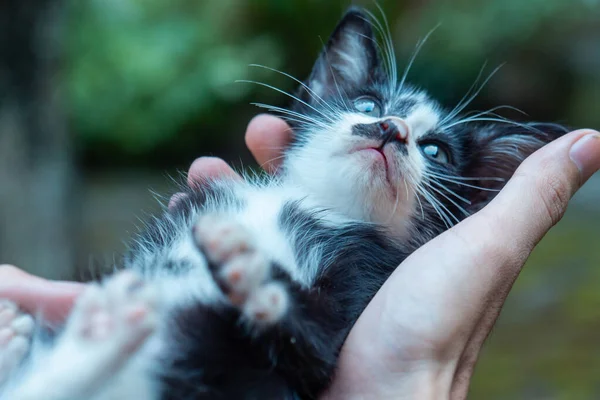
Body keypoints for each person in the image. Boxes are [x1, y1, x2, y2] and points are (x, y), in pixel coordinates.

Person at [1, 114, 599, 399]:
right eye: (372, 105)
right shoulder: (231, 196)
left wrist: (263, 292)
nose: (394, 131)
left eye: (434, 150)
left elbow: (312, 358)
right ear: (316, 114)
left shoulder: (367, 262)